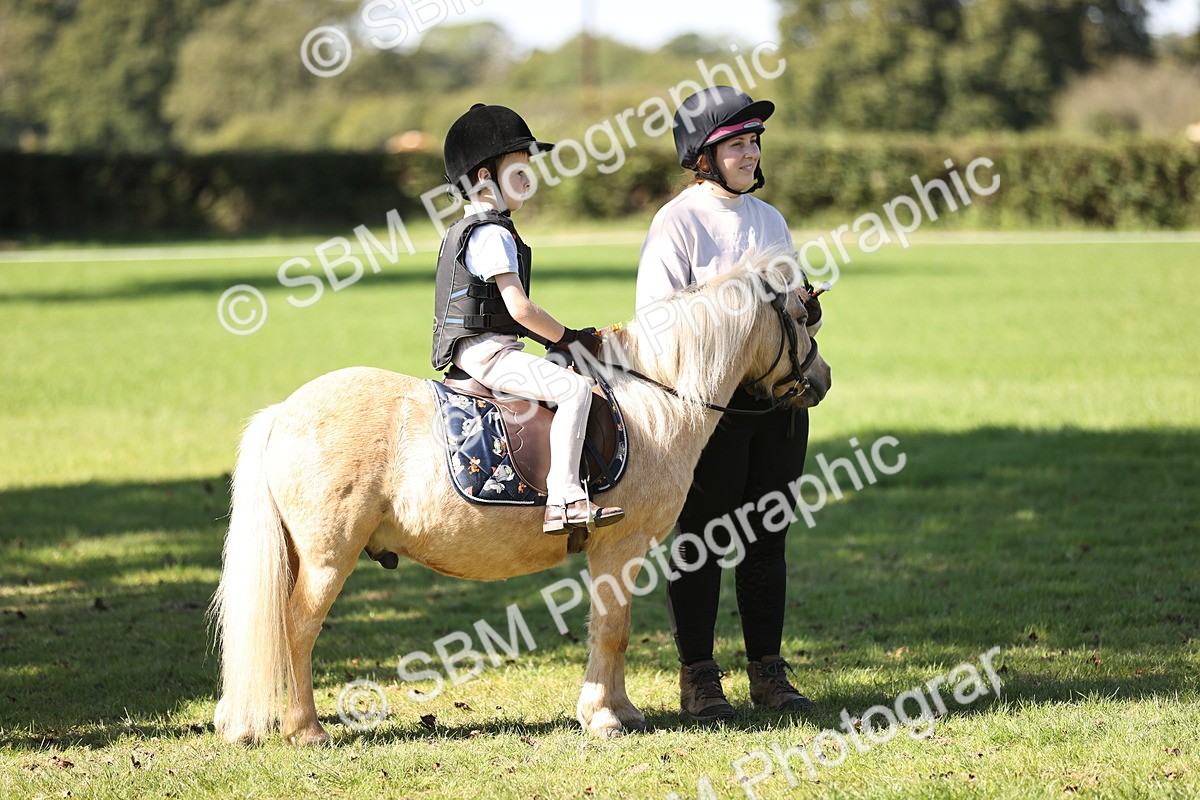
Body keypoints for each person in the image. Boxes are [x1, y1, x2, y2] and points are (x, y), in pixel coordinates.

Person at [635, 86, 823, 720]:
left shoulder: (769, 220)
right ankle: (699, 677)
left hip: (775, 406)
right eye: (738, 143)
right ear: (704, 155)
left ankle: (769, 673)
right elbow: (655, 322)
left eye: (754, 142)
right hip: (710, 415)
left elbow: (791, 307)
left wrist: (803, 310)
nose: (751, 152)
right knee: (701, 540)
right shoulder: (678, 221)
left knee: (769, 537)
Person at [431, 103, 624, 534]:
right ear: (485, 178)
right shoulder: (493, 233)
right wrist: (567, 339)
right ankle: (566, 498)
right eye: (519, 174)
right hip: (489, 355)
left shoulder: (465, 228)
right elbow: (519, 308)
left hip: (477, 350)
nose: (528, 183)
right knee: (575, 389)